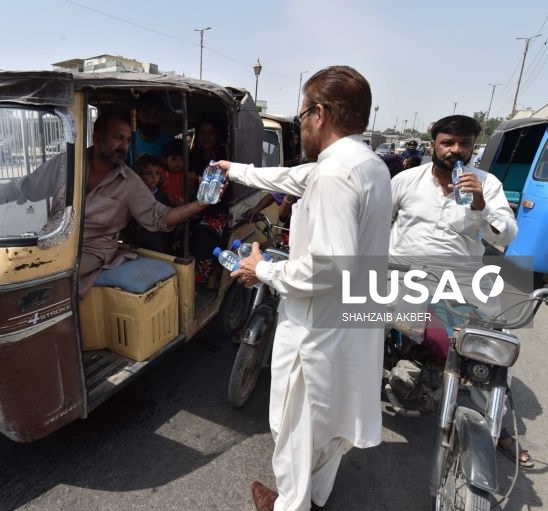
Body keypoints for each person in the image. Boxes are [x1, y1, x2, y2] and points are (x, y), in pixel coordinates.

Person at [215, 65, 391, 511]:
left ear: (320, 113)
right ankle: (315, 495)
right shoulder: (368, 165)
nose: (302, 126)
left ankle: (288, 505)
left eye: (302, 115)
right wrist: (235, 170)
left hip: (317, 327)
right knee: (328, 424)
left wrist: (264, 270)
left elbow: (326, 269)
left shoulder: (334, 175)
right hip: (352, 318)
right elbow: (294, 179)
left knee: (293, 425)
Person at [389, 114, 530, 467]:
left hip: (460, 279)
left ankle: (496, 425)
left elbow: (507, 234)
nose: (455, 150)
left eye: (464, 144)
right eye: (447, 143)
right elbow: (378, 220)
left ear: (472, 148)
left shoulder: (487, 184)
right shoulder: (405, 180)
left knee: (489, 343)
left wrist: (481, 205)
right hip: (403, 274)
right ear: (433, 144)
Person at [0, 111, 212, 296]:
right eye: (117, 138)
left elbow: (160, 218)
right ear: (97, 137)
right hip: (53, 241)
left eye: (126, 140)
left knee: (44, 280)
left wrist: (199, 204)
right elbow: (22, 187)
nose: (123, 146)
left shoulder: (130, 182)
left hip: (92, 253)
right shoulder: (65, 165)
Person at [133, 153, 170, 251]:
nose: (154, 177)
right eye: (149, 173)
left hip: (157, 242)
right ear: (139, 175)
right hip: (136, 242)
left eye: (157, 173)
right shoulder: (133, 196)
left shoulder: (162, 197)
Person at [129, 92, 173, 164]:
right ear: (138, 114)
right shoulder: (129, 141)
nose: (151, 120)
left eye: (156, 114)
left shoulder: (169, 142)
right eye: (146, 113)